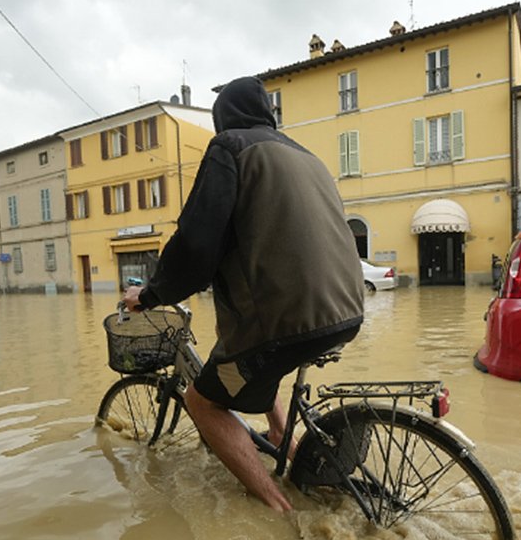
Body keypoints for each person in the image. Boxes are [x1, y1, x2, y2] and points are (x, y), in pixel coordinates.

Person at [123, 76, 364, 512]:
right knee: (255, 358)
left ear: (223, 118)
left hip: (284, 317)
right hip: (345, 308)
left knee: (203, 400)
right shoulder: (306, 156)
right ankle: (281, 437)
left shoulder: (229, 147)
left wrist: (151, 295)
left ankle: (276, 507)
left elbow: (197, 241)